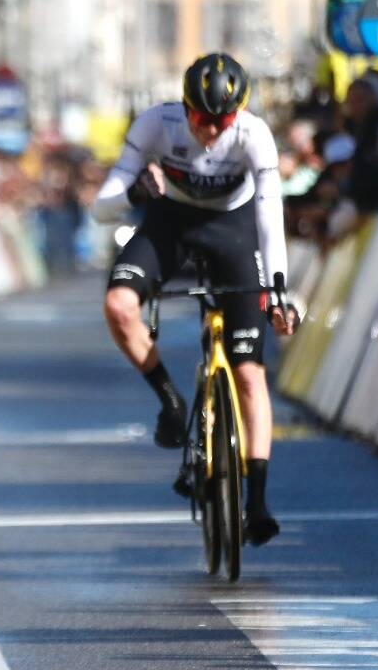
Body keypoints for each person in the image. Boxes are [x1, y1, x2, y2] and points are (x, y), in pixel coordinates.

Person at [93, 53, 298, 547]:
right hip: (171, 223)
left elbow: (271, 217)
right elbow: (103, 207)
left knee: (249, 372)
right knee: (120, 304)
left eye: (222, 120)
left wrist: (277, 289)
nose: (210, 129)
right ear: (185, 108)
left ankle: (257, 499)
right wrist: (136, 191)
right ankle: (168, 397)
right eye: (201, 118)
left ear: (238, 114)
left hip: (234, 228)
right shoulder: (156, 124)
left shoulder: (254, 134)